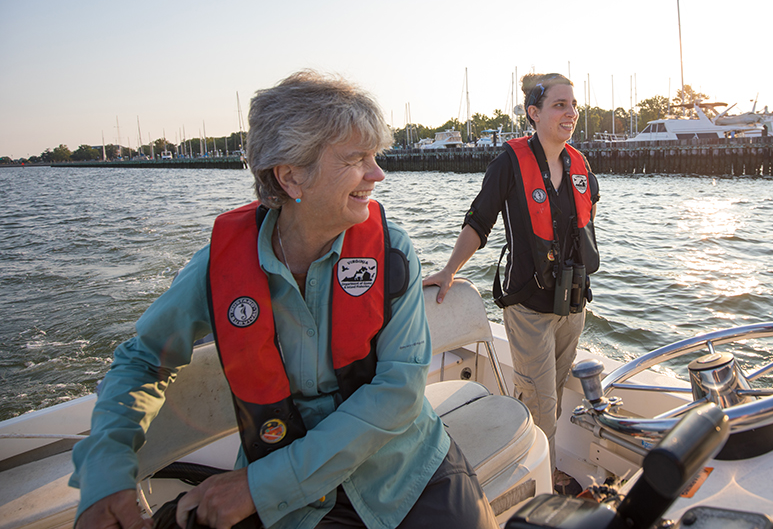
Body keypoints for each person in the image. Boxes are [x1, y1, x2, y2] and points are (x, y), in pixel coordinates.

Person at [70, 70, 497, 529]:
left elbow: (399, 390)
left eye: (374, 156)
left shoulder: (391, 252)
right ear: (291, 176)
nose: (378, 174)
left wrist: (259, 487)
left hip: (406, 470)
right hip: (289, 505)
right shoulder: (217, 269)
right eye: (356, 159)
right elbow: (143, 360)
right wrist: (107, 472)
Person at [422, 73, 599, 493]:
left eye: (573, 104)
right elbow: (479, 222)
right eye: (559, 105)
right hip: (529, 308)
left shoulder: (580, 164)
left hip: (572, 306)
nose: (570, 112)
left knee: (551, 394)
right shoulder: (508, 163)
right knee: (540, 402)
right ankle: (546, 487)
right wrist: (449, 269)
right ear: (533, 113)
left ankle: (539, 466)